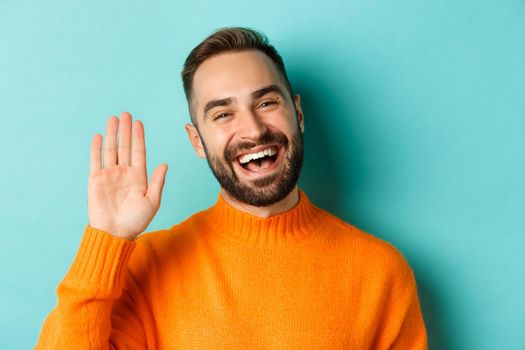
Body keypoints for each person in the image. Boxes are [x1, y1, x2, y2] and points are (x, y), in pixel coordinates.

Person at [35, 27, 428, 349]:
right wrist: (106, 239)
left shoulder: (380, 272)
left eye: (267, 103)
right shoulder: (145, 269)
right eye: (223, 114)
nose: (254, 130)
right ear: (196, 141)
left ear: (299, 113)